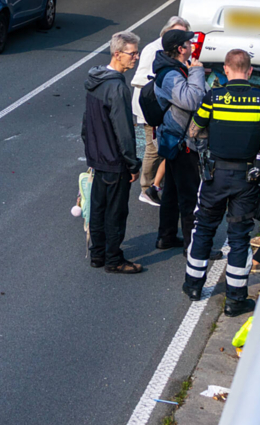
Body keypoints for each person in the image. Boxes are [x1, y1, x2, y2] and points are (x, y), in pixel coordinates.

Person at [183, 49, 260, 317]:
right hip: (247, 179)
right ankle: (235, 299)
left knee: (204, 228)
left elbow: (194, 130)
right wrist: (259, 131)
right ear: (250, 71)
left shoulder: (214, 97)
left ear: (227, 70)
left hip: (215, 176)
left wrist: (216, 131)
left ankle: (194, 286)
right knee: (240, 237)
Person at [82, 31, 144, 274]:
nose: (136, 58)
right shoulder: (117, 88)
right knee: (116, 212)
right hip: (115, 161)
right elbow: (124, 130)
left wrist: (91, 153)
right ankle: (114, 259)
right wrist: (132, 164)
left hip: (98, 158)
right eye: (132, 53)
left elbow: (86, 124)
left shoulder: (95, 81)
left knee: (97, 209)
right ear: (117, 54)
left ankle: (97, 255)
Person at [152, 29, 206, 252]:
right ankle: (192, 245)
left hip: (174, 138)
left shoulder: (172, 70)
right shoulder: (171, 74)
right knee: (189, 195)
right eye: (189, 42)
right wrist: (197, 72)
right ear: (181, 49)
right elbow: (192, 100)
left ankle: (166, 237)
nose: (193, 45)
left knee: (172, 193)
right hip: (182, 142)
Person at [130, 16, 191, 207]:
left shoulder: (175, 52)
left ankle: (157, 184)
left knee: (162, 148)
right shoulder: (152, 49)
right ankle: (146, 188)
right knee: (153, 149)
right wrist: (161, 82)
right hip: (150, 107)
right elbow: (139, 79)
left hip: (165, 108)